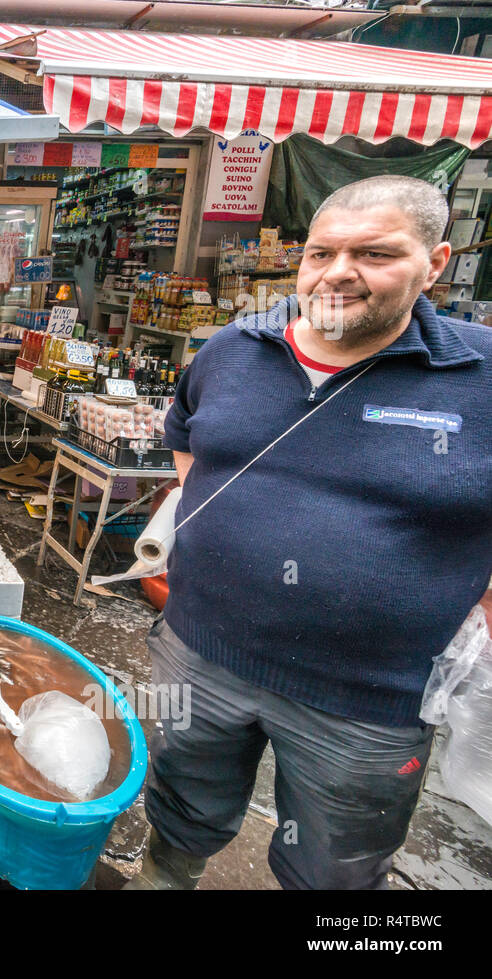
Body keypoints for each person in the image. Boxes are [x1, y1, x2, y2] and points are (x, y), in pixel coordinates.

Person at [126, 175, 492, 891]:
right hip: (199, 651)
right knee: (181, 807)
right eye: (321, 252)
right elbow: (193, 458)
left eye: (375, 253)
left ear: (436, 263)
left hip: (368, 698)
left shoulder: (479, 377)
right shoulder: (234, 348)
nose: (339, 272)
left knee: (335, 866)